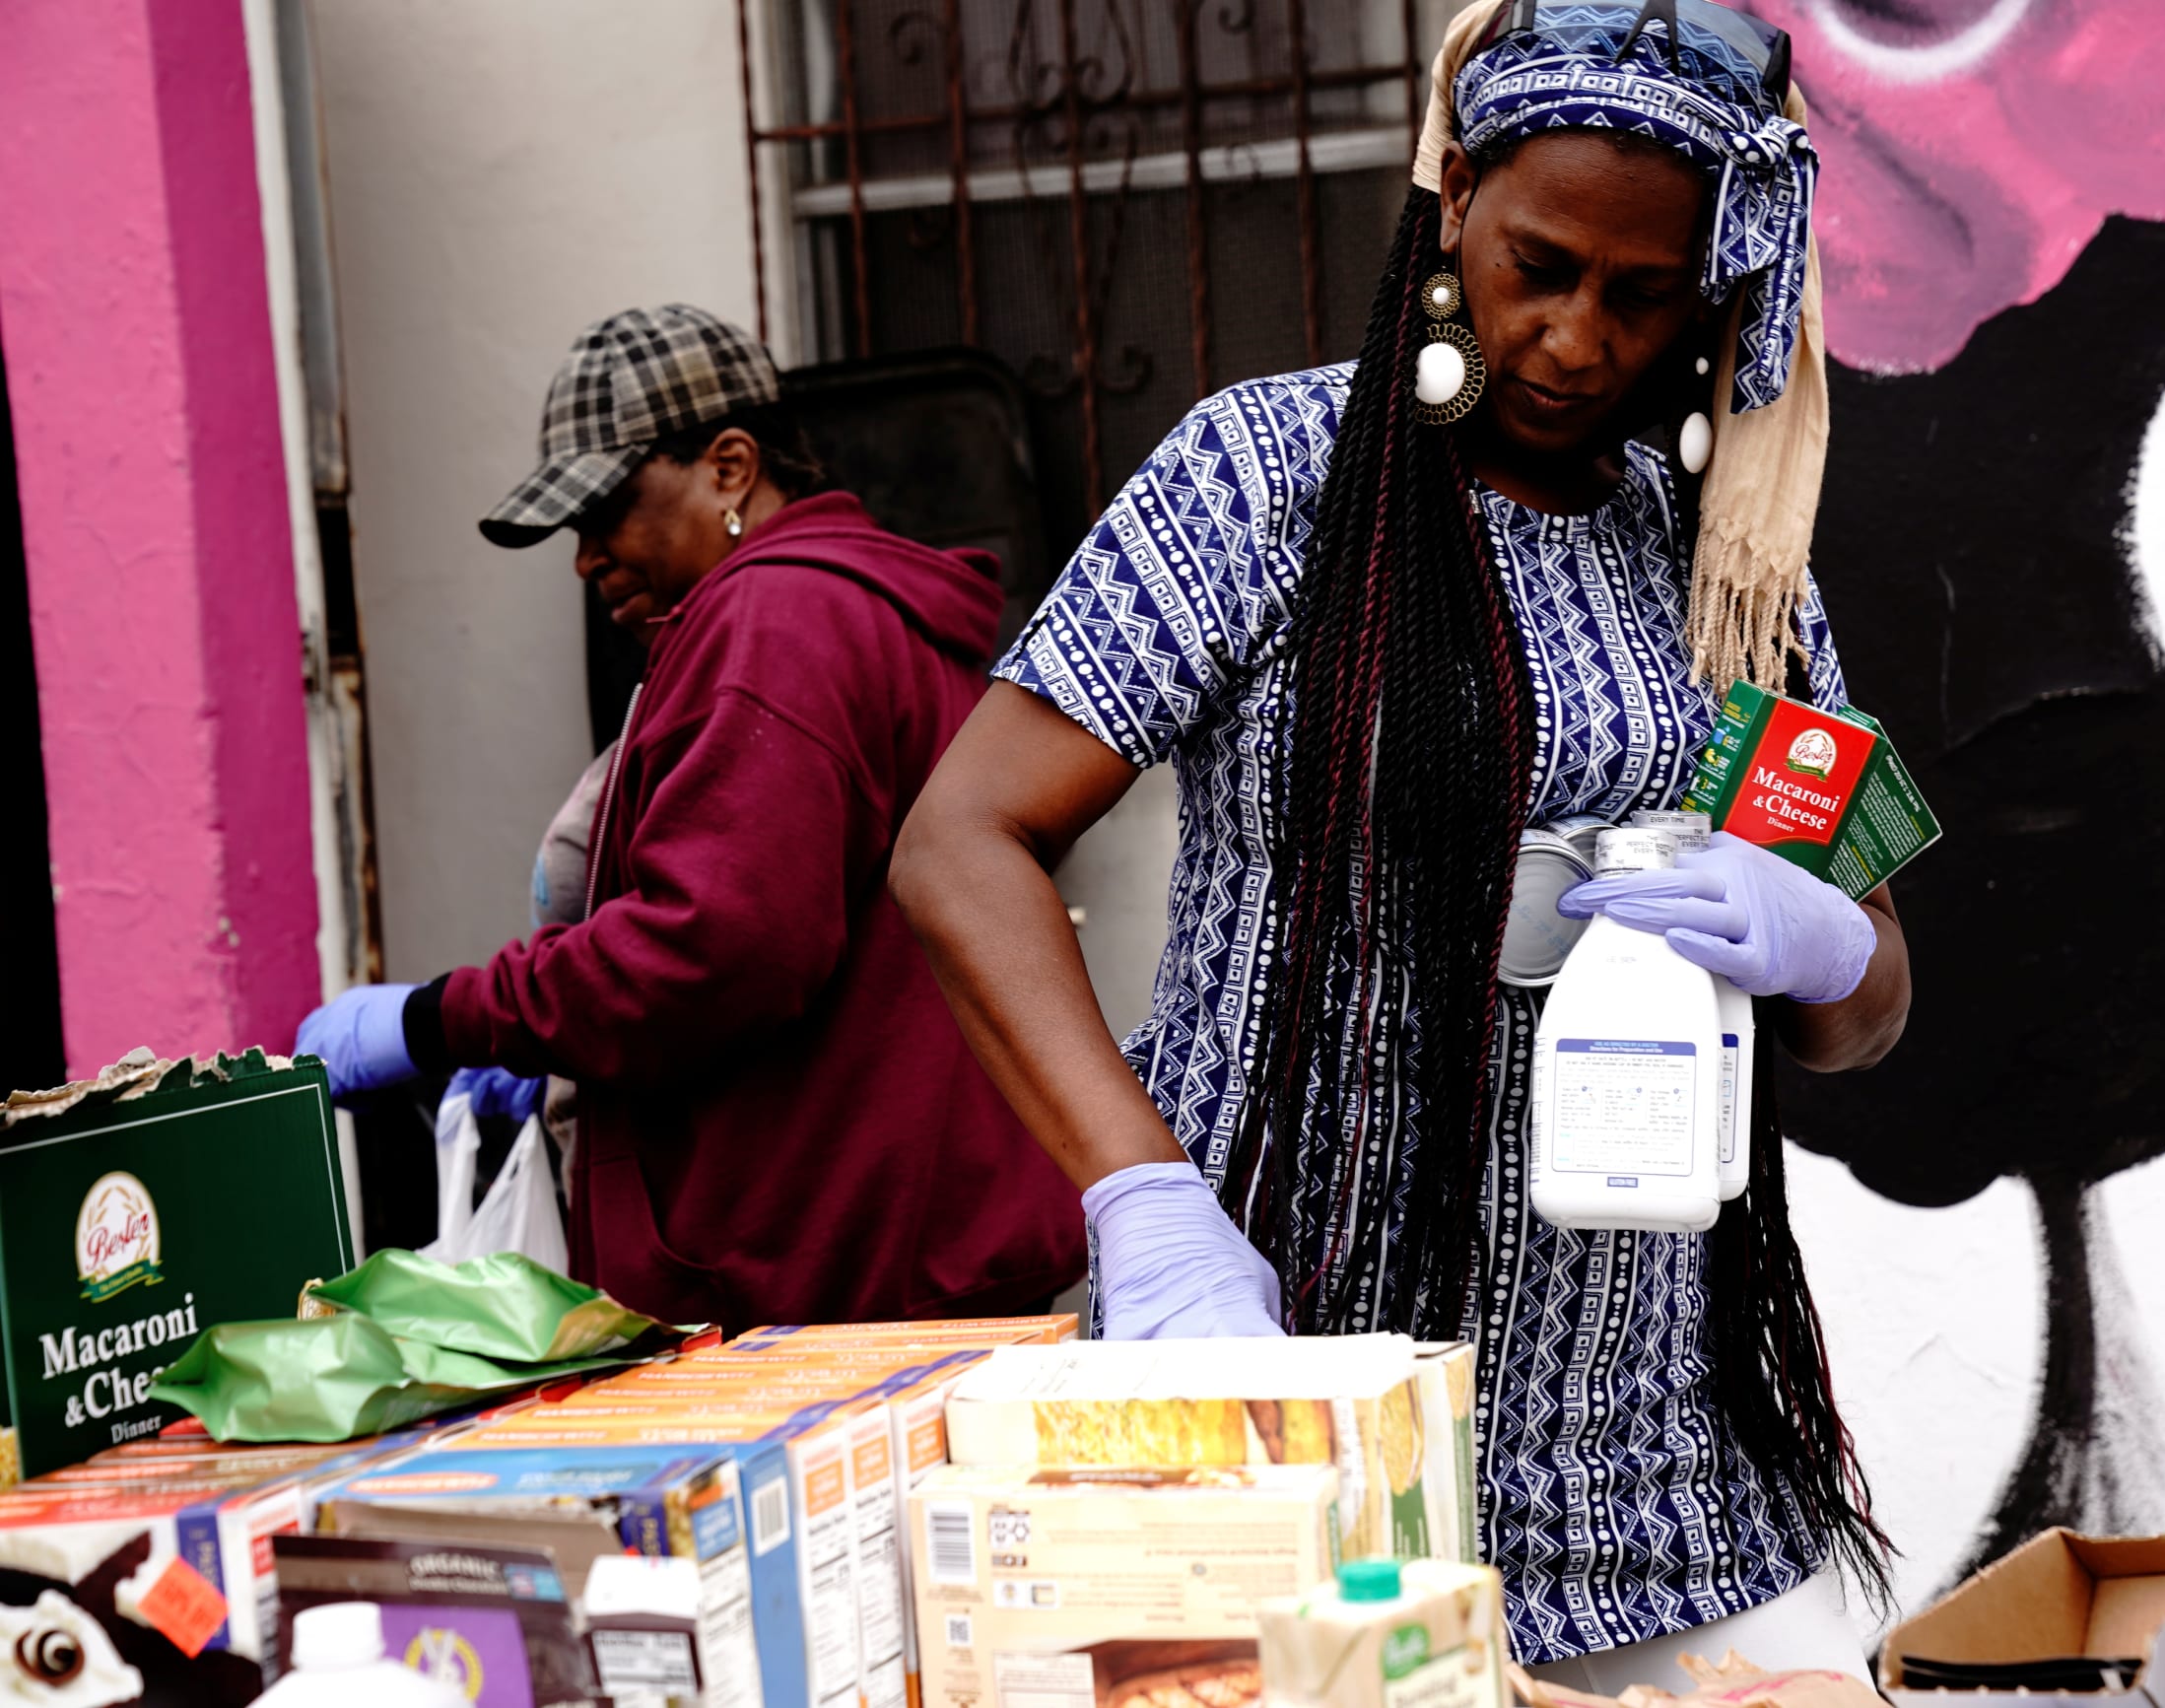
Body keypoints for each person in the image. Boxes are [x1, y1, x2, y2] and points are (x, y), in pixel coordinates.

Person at [891, 0, 1909, 1686]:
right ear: (1453, 214)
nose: (1577, 337)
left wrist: (1823, 937)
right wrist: (1144, 1199)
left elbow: (1872, 1001)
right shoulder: (1264, 480)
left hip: (1651, 1475)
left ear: (1709, 299)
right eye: (1541, 266)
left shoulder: (1739, 572)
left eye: (1641, 296)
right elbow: (961, 839)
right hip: (1287, 1407)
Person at [299, 304, 1084, 1328]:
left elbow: (712, 947)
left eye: (607, 510)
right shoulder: (859, 606)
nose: (585, 558)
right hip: (904, 1256)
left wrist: (440, 1018)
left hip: (833, 1288)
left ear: (729, 465)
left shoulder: (775, 618)